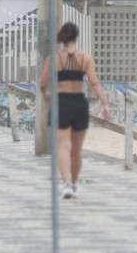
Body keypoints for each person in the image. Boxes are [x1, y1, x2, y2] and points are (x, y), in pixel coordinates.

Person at [38, 21, 111, 199]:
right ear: (77, 37)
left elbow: (42, 83)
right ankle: (75, 183)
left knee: (63, 146)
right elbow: (94, 82)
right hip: (79, 103)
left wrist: (45, 93)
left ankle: (67, 184)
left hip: (61, 102)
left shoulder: (54, 58)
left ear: (63, 38)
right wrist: (105, 103)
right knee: (76, 150)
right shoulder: (85, 59)